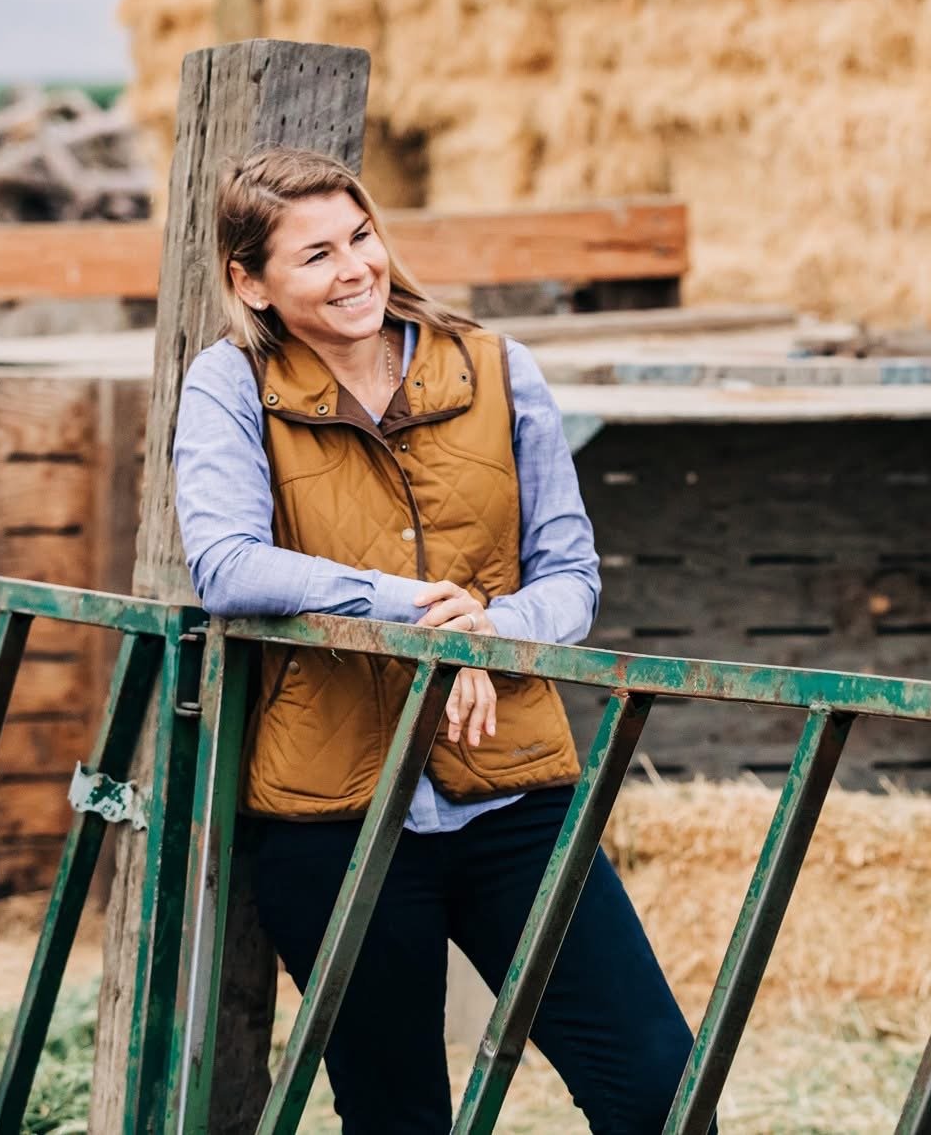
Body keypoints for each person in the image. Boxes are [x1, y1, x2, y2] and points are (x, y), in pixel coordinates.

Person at [172, 147, 698, 1134]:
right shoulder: (230, 382)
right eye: (315, 254)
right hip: (332, 815)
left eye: (361, 237)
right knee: (397, 1115)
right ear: (251, 281)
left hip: (511, 793)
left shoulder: (495, 366)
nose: (354, 268)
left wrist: (491, 629)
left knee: (655, 1088)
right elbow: (228, 565)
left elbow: (570, 577)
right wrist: (412, 606)